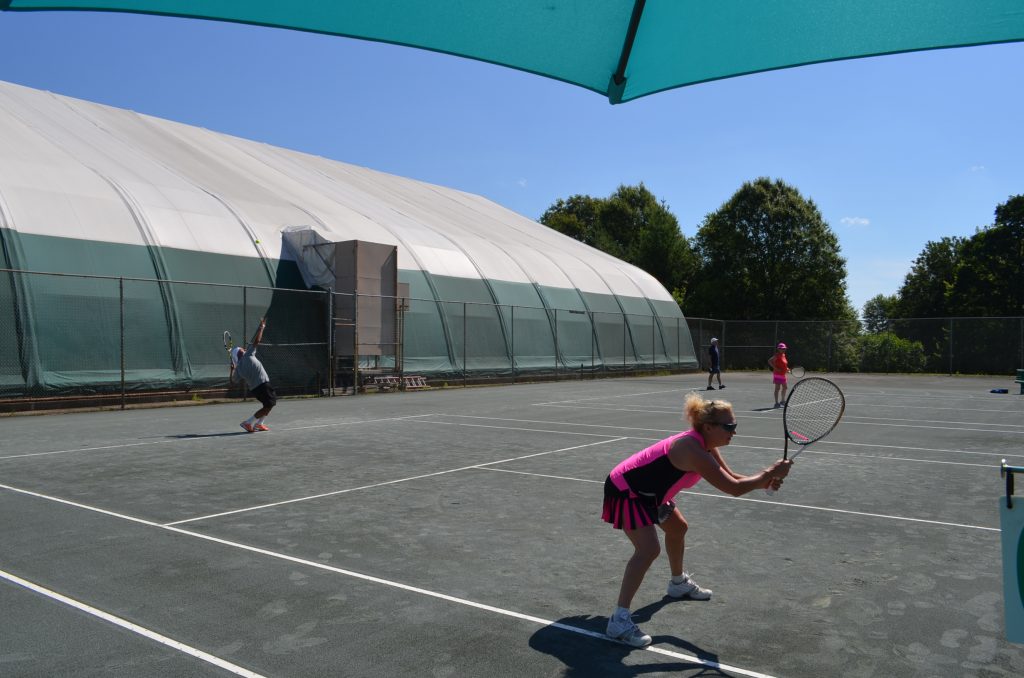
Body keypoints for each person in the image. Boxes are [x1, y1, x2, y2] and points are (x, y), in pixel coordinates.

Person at [602, 392, 792, 647]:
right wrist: (769, 473)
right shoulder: (692, 449)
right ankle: (618, 620)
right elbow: (734, 488)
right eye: (729, 426)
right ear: (708, 427)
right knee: (648, 550)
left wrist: (764, 481)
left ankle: (677, 584)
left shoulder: (707, 445)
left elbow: (733, 477)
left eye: (735, 425)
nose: (734, 431)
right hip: (627, 490)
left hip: (653, 492)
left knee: (678, 528)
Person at [230, 318, 276, 432]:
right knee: (269, 405)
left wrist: (232, 370)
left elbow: (233, 381)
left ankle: (259, 424)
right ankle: (248, 423)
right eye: (241, 350)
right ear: (240, 354)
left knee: (269, 404)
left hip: (256, 389)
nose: (243, 349)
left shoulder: (238, 368)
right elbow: (257, 341)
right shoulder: (248, 355)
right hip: (262, 385)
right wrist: (262, 327)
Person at [767, 342, 790, 407]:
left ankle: (782, 401)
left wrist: (787, 369)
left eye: (784, 349)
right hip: (777, 374)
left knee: (785, 387)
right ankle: (776, 403)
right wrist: (776, 368)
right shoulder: (777, 355)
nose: (783, 350)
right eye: (782, 349)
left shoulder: (783, 355)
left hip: (783, 374)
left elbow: (784, 364)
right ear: (778, 349)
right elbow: (769, 361)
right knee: (777, 388)